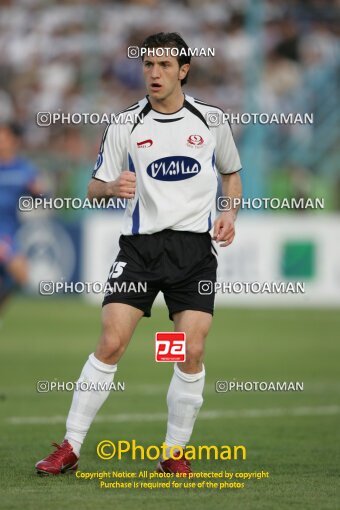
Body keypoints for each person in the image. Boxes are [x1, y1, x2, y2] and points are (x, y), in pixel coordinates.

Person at [35, 32, 242, 476]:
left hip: (194, 253)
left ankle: (172, 452)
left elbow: (231, 174)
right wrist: (109, 188)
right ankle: (70, 446)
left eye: (164, 65)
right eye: (148, 64)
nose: (153, 72)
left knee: (188, 351)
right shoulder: (126, 123)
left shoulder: (211, 120)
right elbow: (92, 189)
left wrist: (229, 212)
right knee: (112, 343)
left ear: (183, 71)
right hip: (140, 251)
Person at [0, 122, 43, 313]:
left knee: (21, 276)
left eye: (4, 137)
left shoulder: (24, 168)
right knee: (18, 271)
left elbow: (44, 196)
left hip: (9, 230)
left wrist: (38, 192)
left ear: (14, 141)